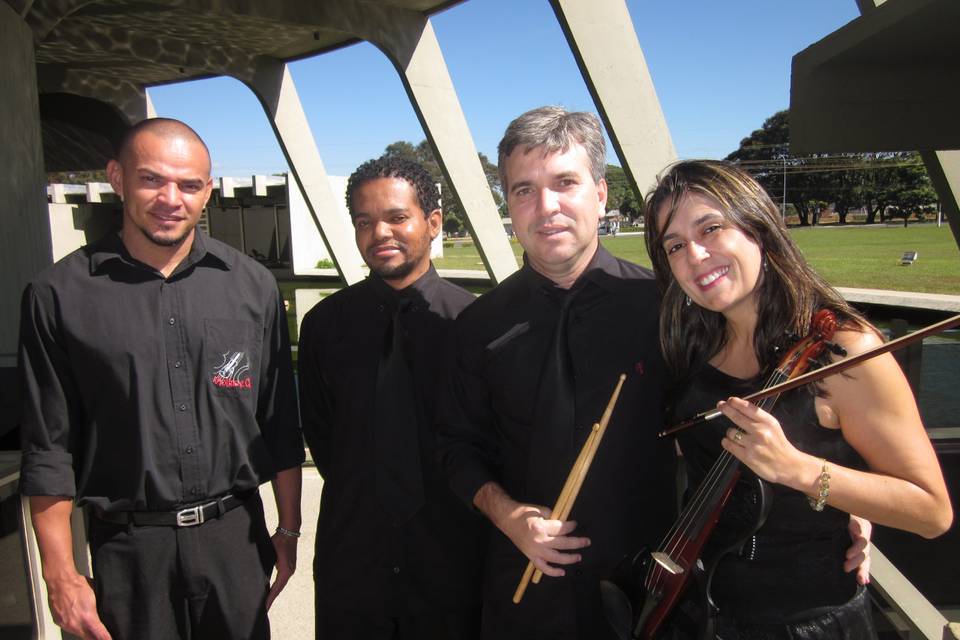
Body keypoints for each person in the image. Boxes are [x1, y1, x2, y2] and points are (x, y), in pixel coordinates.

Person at [19, 118, 304, 640]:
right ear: (117, 177)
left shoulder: (253, 286)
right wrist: (59, 571)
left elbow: (279, 418)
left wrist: (287, 529)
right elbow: (48, 448)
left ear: (207, 192)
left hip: (233, 542)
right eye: (152, 179)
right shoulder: (56, 296)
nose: (171, 198)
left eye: (189, 184)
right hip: (129, 553)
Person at [643, 159, 952, 637]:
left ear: (758, 229)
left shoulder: (845, 351)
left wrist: (802, 471)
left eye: (712, 229)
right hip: (706, 613)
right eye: (676, 246)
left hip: (809, 624)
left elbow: (931, 512)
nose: (696, 256)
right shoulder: (694, 347)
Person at [436, 106, 677, 639]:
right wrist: (507, 515)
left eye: (564, 182)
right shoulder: (477, 325)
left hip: (648, 593)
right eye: (523, 190)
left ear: (601, 193)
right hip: (525, 590)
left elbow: (723, 422)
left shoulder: (664, 308)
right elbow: (455, 448)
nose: (545, 208)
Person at [298, 156, 483, 639]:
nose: (380, 232)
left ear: (433, 223)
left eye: (397, 217)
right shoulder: (323, 327)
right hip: (353, 562)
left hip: (452, 562)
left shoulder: (478, 326)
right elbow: (324, 439)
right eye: (365, 221)